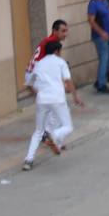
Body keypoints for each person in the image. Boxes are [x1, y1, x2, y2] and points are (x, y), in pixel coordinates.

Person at [22, 40, 83, 170]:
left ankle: (28, 160)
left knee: (38, 130)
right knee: (68, 126)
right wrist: (75, 96)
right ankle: (53, 137)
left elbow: (29, 83)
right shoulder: (60, 62)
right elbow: (68, 80)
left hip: (42, 100)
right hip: (57, 99)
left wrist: (37, 94)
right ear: (56, 51)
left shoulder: (39, 64)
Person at [86, 0, 109, 94]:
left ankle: (100, 79)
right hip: (99, 37)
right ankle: (101, 84)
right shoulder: (93, 3)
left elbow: (108, 16)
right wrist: (101, 33)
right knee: (104, 58)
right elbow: (91, 21)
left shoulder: (105, 2)